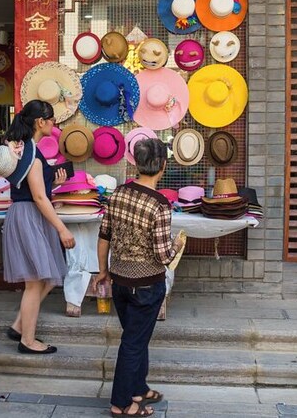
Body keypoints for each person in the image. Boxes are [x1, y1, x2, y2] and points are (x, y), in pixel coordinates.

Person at [92, 138, 185, 418]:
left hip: (120, 281)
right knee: (133, 343)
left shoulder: (119, 193)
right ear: (163, 166)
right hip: (146, 285)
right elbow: (163, 255)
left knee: (136, 338)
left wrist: (103, 271)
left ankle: (138, 388)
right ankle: (121, 403)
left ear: (136, 163)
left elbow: (104, 236)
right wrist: (177, 245)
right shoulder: (159, 205)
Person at [1, 100, 75, 354]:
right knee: (35, 282)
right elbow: (39, 197)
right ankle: (28, 341)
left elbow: (33, 190)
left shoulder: (23, 148)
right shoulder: (31, 153)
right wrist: (62, 229)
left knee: (46, 277)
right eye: (52, 119)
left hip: (26, 213)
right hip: (30, 215)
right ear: (40, 122)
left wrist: (53, 184)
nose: (54, 123)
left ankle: (20, 326)